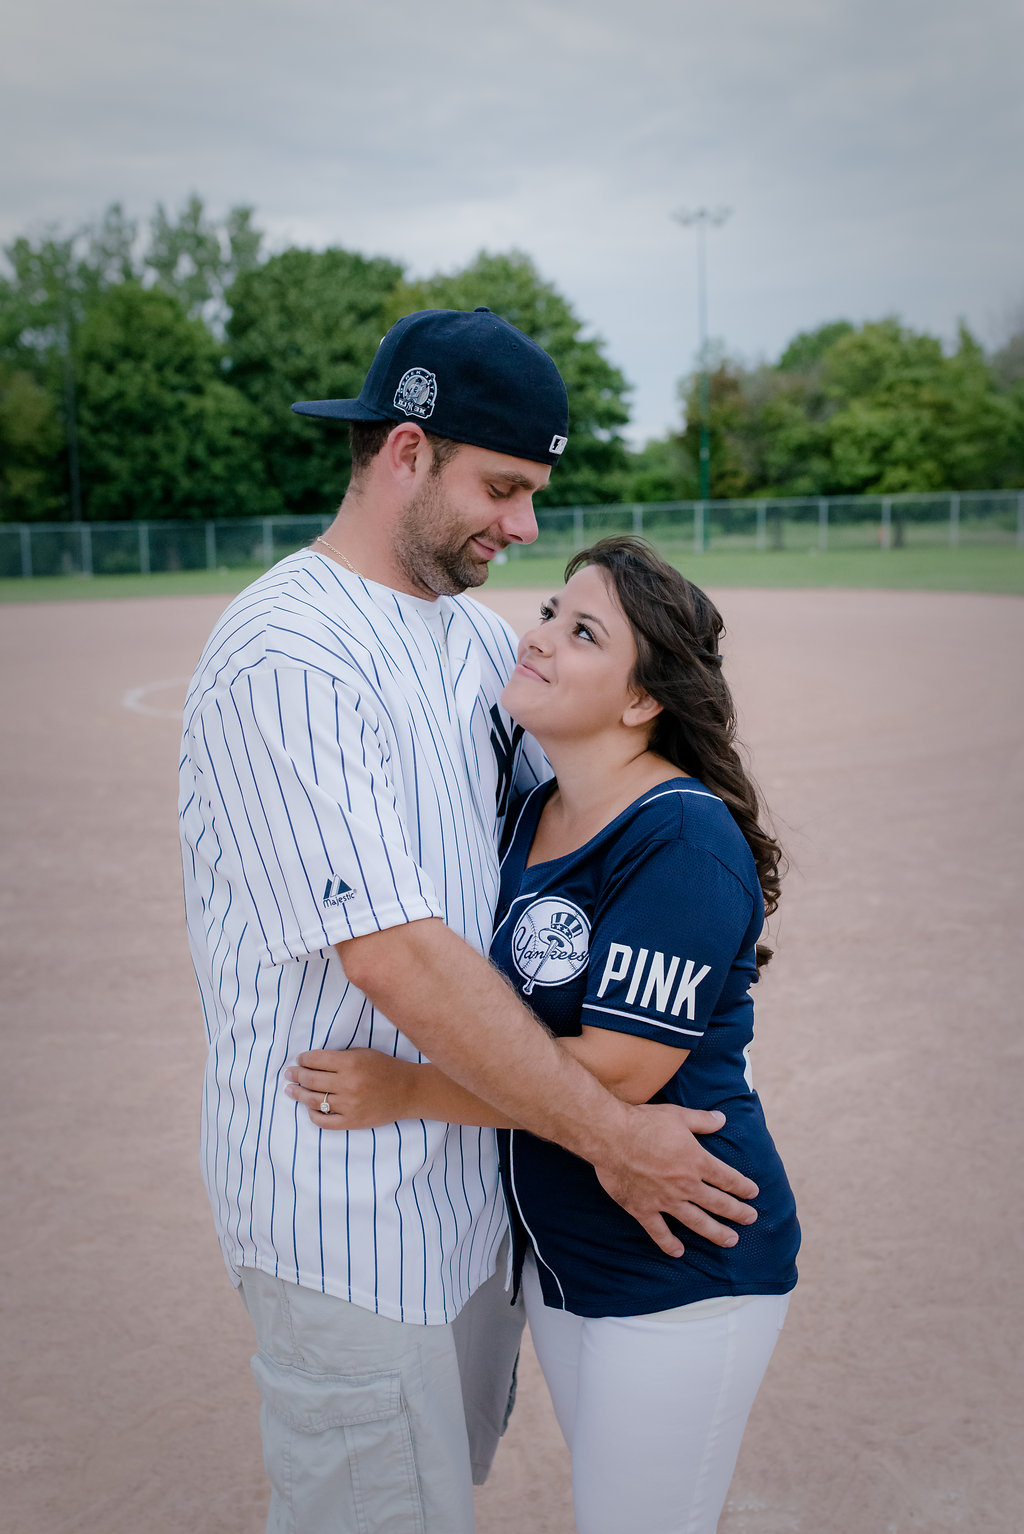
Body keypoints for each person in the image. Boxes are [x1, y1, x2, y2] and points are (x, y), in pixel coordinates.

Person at [180, 309, 758, 1534]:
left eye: (534, 492)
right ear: (406, 451)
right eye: (502, 487)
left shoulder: (473, 643)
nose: (525, 525)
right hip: (345, 1213)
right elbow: (393, 953)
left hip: (468, 1207)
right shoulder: (290, 651)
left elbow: (592, 821)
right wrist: (615, 1133)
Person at [286, 536, 800, 1534]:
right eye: (552, 612)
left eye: (584, 632)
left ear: (641, 699)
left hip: (682, 1257)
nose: (541, 636)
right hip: (567, 1259)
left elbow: (620, 1069)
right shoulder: (534, 815)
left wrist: (406, 1087)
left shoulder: (680, 835)